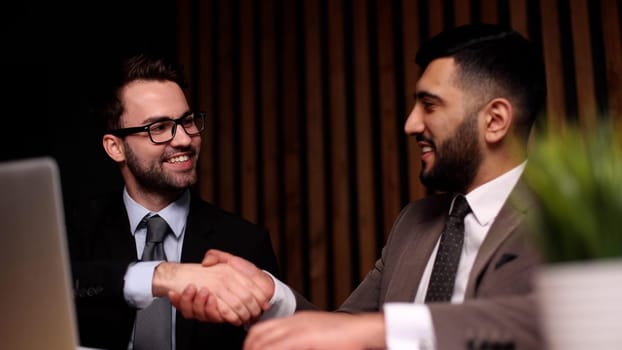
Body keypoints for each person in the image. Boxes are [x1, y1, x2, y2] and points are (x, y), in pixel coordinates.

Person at [171, 23, 548, 350]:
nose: (411, 124)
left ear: (495, 121)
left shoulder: (567, 223)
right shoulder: (413, 223)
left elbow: (541, 326)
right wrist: (271, 296)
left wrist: (386, 330)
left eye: (429, 106)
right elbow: (346, 331)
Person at [65, 53, 283, 350]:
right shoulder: (73, 232)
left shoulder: (245, 243)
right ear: (115, 147)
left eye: (187, 121)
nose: (183, 139)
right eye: (159, 127)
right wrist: (161, 275)